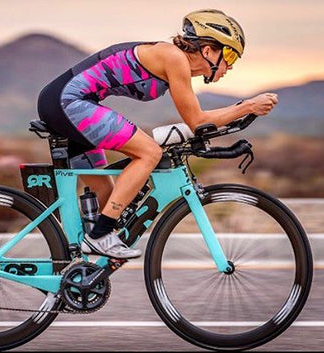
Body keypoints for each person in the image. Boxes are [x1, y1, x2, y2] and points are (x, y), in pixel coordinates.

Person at [37, 9, 278, 259]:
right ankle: (99, 237)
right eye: (229, 55)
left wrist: (238, 116)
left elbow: (198, 122)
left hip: (65, 103)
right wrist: (248, 107)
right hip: (68, 103)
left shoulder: (174, 62)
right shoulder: (174, 58)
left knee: (111, 199)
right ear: (208, 50)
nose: (230, 65)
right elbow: (198, 121)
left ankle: (75, 272)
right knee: (149, 153)